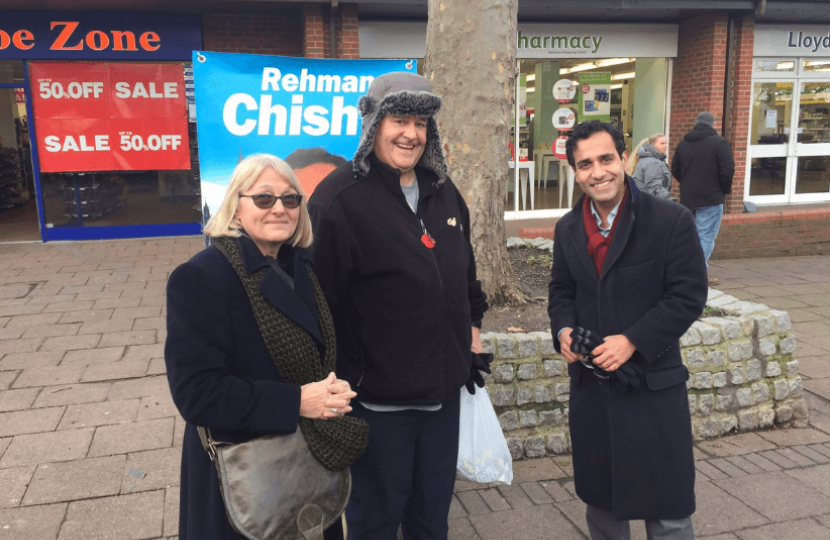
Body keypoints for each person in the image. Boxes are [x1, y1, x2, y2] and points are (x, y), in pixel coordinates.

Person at [308, 72, 489, 540]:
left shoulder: (443, 190)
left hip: (442, 398)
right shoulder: (339, 198)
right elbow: (317, 303)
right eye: (399, 119)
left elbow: (463, 273)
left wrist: (472, 330)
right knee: (376, 521)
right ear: (373, 125)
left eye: (421, 122)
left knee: (431, 519)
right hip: (377, 403)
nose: (411, 133)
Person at [165, 154, 367, 540]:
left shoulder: (301, 267)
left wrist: (334, 386)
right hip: (245, 478)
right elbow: (197, 394)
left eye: (290, 200)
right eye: (263, 199)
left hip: (303, 468)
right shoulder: (201, 278)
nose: (279, 208)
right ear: (235, 208)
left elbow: (318, 352)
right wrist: (296, 401)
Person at [548, 121, 708, 540]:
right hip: (593, 392)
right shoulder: (567, 229)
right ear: (575, 172)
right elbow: (561, 290)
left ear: (623, 159)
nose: (597, 172)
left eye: (605, 159)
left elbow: (688, 295)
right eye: (585, 164)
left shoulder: (670, 220)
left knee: (668, 515)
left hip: (653, 390)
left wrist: (633, 339)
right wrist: (564, 331)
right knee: (602, 510)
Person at [671, 112, 735, 286]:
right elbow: (727, 170)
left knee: (691, 237)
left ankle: (685, 272)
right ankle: (697, 275)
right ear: (712, 124)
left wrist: (687, 183)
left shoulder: (684, 144)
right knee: (705, 237)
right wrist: (724, 189)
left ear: (696, 123)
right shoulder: (719, 143)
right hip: (711, 199)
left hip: (688, 199)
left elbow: (675, 168)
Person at [628, 133, 673, 200]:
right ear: (653, 145)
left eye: (666, 143)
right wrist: (671, 202)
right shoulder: (653, 162)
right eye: (662, 143)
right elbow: (655, 188)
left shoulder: (646, 160)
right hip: (648, 203)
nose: (665, 146)